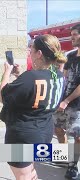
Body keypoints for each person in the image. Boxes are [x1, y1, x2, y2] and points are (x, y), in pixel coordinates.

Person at [0, 34, 67, 180]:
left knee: (23, 175)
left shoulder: (30, 77)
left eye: (31, 49)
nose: (29, 52)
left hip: (23, 136)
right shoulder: (59, 76)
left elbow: (2, 97)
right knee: (30, 171)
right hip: (45, 133)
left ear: (39, 53)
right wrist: (19, 76)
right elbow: (38, 92)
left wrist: (7, 72)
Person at [53, 24, 80, 180]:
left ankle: (72, 166)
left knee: (77, 136)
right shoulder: (70, 56)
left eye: (75, 34)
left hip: (77, 105)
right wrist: (58, 98)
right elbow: (63, 79)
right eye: (72, 34)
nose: (72, 37)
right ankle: (64, 156)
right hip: (63, 102)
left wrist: (67, 100)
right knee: (58, 129)